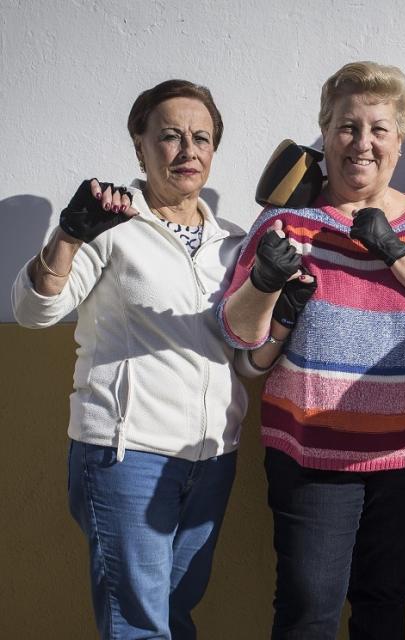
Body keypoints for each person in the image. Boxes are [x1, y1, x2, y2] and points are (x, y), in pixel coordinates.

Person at [218, 61, 405, 640]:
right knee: (308, 608)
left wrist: (395, 250)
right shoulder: (288, 223)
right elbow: (239, 336)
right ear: (326, 133)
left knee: (384, 600)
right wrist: (264, 281)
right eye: (347, 127)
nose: (362, 143)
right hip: (313, 453)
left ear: (399, 141)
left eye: (379, 129)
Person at [11, 80, 247, 638]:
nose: (187, 150)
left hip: (212, 455)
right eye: (169, 136)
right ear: (139, 145)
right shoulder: (109, 225)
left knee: (174, 612)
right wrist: (68, 237)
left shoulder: (233, 242)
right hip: (127, 455)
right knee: (137, 624)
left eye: (201, 138)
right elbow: (34, 312)